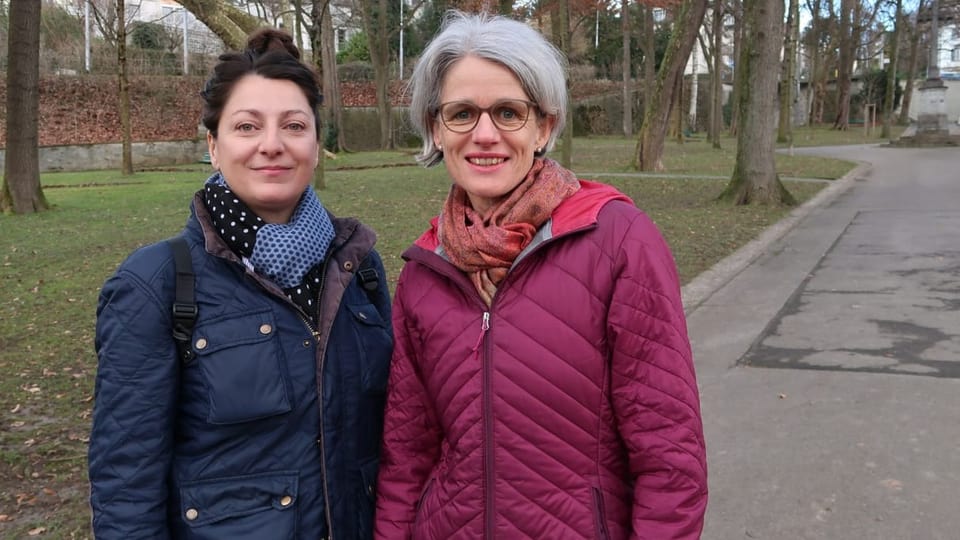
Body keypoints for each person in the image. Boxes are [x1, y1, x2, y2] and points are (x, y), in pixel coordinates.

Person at [374, 10, 707, 540]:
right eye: (462, 113)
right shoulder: (425, 270)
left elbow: (670, 456)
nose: (485, 135)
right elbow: (406, 456)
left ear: (544, 125)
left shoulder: (619, 242)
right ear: (436, 129)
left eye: (508, 112)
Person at [88, 28, 392, 539]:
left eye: (294, 126)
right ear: (213, 145)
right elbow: (126, 487)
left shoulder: (358, 267)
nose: (271, 145)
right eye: (247, 127)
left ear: (317, 145)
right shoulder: (155, 285)